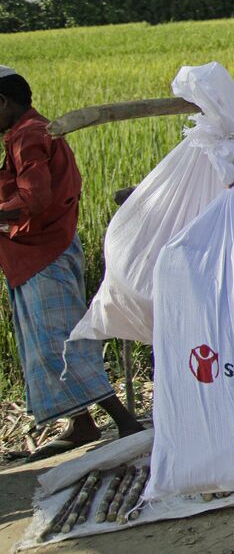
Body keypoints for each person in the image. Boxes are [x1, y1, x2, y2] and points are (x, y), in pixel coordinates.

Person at [0, 68, 144, 461]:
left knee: (63, 343)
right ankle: (81, 423)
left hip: (43, 252)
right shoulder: (30, 131)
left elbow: (34, 198)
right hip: (36, 252)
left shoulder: (28, 136)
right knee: (48, 343)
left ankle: (124, 421)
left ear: (4, 102)